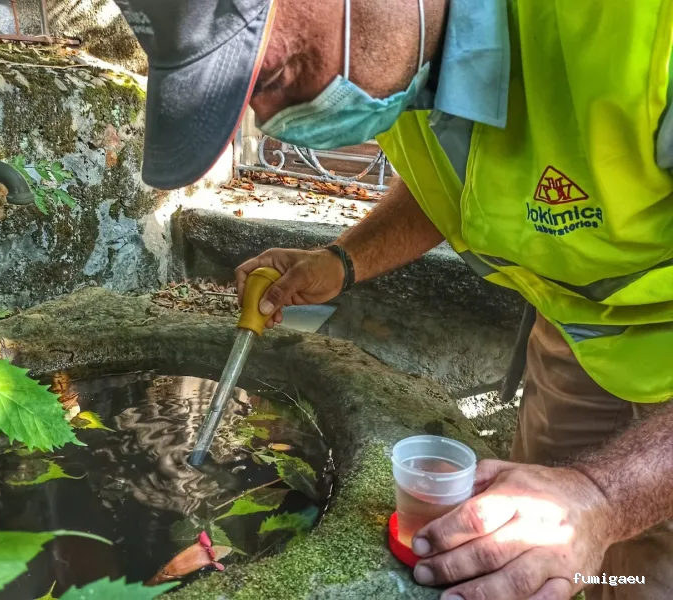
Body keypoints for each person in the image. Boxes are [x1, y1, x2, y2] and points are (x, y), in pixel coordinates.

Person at [115, 0, 673, 598]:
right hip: (576, 331)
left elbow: (593, 500)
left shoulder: (641, 31)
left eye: (271, 76)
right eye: (242, 98)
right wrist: (340, 261)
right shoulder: (399, 41)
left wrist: (601, 495)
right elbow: (458, 181)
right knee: (541, 558)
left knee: (640, 571)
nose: (267, 117)